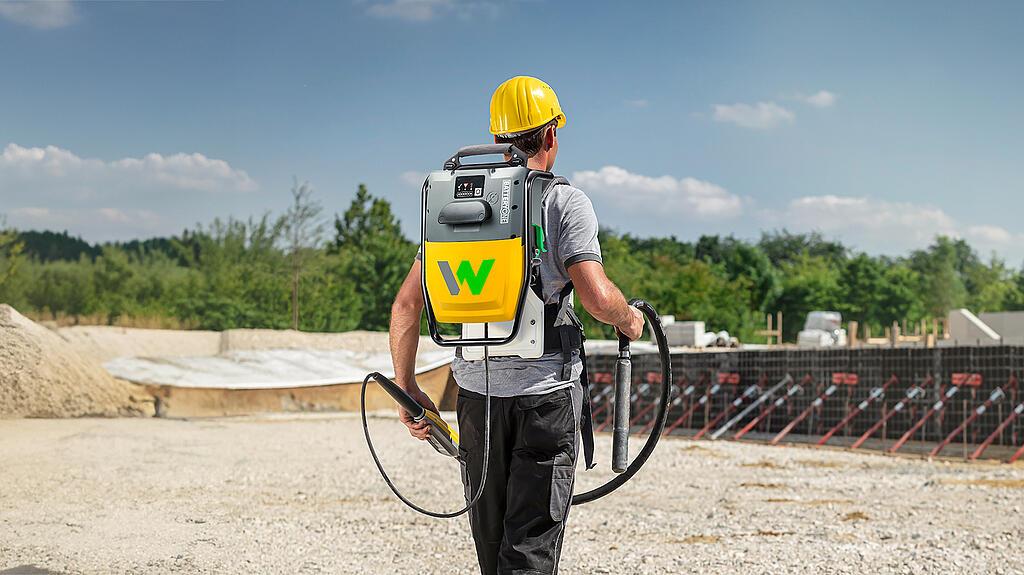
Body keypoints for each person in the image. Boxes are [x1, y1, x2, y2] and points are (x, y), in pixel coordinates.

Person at [388, 75, 645, 575]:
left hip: (476, 401)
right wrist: (629, 318)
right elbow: (597, 298)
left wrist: (407, 387)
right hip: (544, 400)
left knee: (492, 549)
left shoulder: (452, 201)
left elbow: (405, 306)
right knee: (529, 550)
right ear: (551, 134)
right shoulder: (564, 201)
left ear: (498, 136)